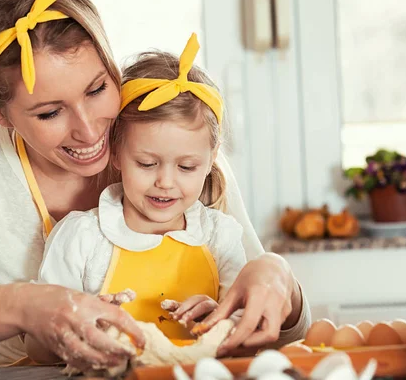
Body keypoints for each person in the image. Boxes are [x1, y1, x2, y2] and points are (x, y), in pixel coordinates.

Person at [0, 0, 309, 370]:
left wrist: (278, 279)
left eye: (98, 88)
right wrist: (23, 306)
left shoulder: (175, 152)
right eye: (49, 112)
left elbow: (286, 334)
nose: (90, 128)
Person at [25, 34, 308, 364]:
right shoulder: (81, 238)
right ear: (115, 152)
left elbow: (250, 334)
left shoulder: (221, 237)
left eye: (187, 166)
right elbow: (37, 349)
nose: (165, 182)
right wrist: (83, 323)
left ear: (212, 158)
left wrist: (221, 317)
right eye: (146, 163)